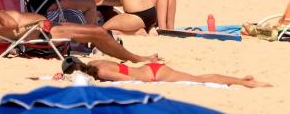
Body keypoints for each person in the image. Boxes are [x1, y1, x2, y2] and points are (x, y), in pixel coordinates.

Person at [0, 0, 159, 63]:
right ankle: (137, 59)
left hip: (46, 28)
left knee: (97, 32)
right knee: (98, 32)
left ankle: (126, 53)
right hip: (43, 34)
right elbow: (12, 25)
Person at [60, 56, 270, 88]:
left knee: (200, 80)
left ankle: (245, 82)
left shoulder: (103, 73)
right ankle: (242, 81)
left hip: (154, 76)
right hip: (151, 68)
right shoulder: (97, 62)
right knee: (199, 78)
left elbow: (130, 78)